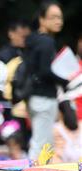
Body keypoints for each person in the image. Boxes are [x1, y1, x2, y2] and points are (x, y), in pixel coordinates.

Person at [25, 1, 66, 160]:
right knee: (42, 144)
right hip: (44, 97)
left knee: (41, 142)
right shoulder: (47, 41)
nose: (59, 21)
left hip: (33, 97)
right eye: (54, 17)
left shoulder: (33, 39)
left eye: (60, 18)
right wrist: (65, 79)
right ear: (42, 19)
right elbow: (45, 71)